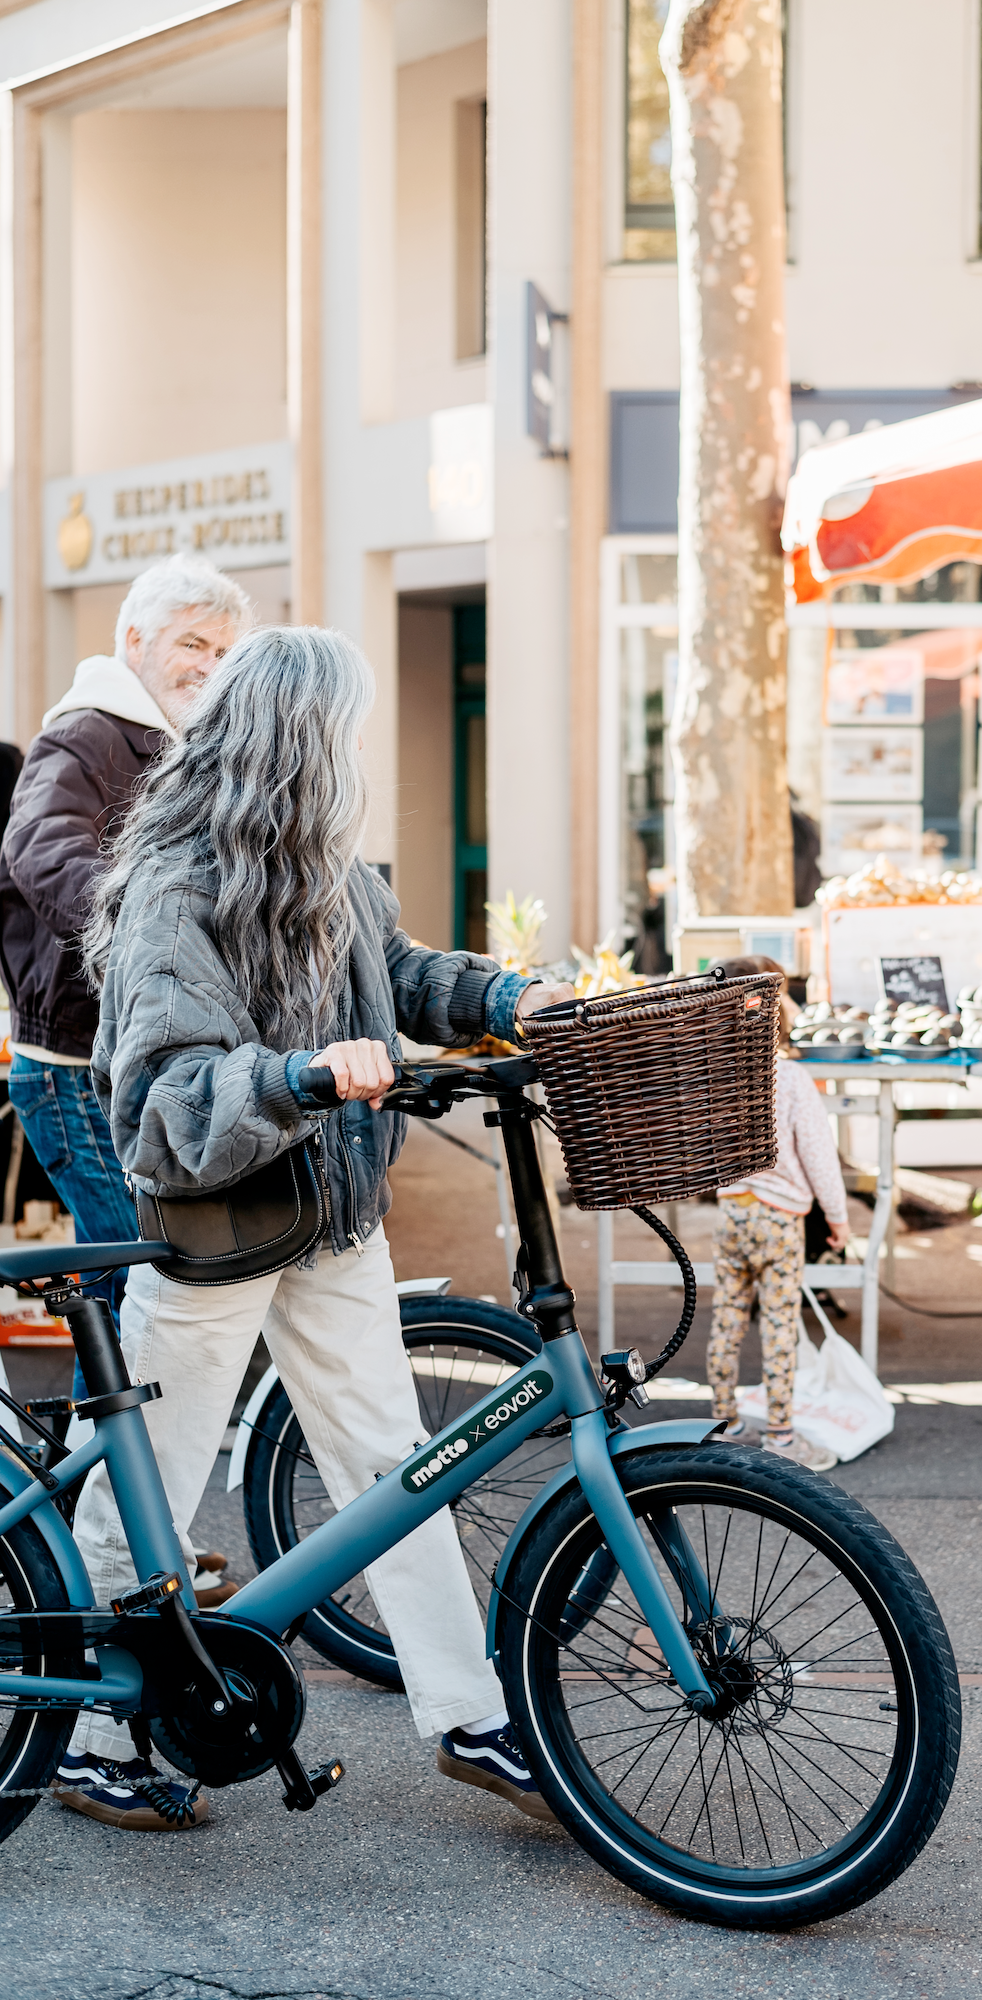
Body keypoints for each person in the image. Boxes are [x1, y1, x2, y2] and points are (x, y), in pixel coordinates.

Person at [50, 624, 574, 1833]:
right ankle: (83, 1731)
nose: (359, 751)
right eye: (345, 729)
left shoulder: (336, 872)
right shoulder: (175, 887)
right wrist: (299, 1078)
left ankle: (467, 1713)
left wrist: (505, 996)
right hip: (221, 1231)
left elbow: (398, 974)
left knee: (398, 1465)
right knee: (153, 1488)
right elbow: (167, 1104)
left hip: (332, 1218)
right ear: (300, 742)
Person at [0, 555, 250, 1387]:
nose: (208, 665)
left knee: (128, 1282)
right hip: (73, 1064)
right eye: (192, 643)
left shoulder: (182, 746)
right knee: (135, 1279)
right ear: (135, 640)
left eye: (222, 649)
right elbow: (38, 849)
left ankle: (92, 1489)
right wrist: (142, 942)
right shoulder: (87, 732)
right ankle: (95, 1493)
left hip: (130, 1056)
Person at [706, 955, 850, 1474]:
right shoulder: (789, 1079)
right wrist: (838, 1218)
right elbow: (819, 1158)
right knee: (780, 1325)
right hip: (780, 1218)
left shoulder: (713, 1077)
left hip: (731, 1214)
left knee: (727, 1318)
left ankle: (724, 1423)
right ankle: (783, 1435)